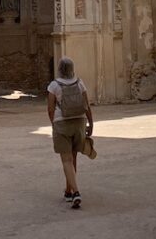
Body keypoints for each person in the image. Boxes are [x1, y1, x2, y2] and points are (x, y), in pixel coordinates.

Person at [47, 56, 93, 209]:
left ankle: (76, 192)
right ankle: (68, 190)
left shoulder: (54, 85)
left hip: (62, 123)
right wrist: (90, 123)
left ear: (59, 69)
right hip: (79, 122)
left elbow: (50, 108)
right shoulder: (80, 83)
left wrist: (54, 124)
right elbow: (86, 105)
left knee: (66, 160)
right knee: (73, 159)